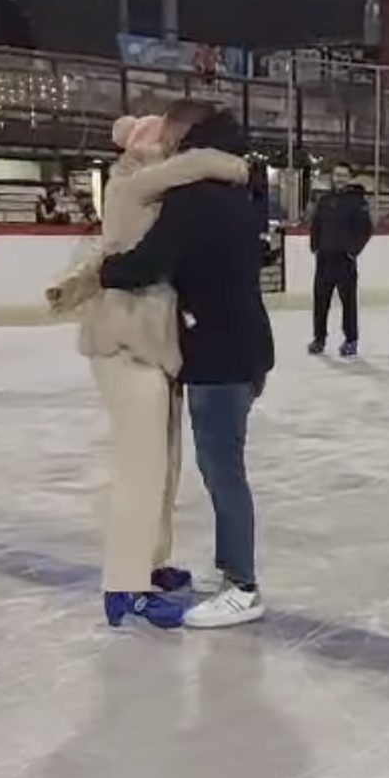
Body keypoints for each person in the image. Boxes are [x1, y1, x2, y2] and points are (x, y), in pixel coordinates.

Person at [49, 110, 251, 631]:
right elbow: (200, 164)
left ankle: (151, 563)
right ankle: (125, 586)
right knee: (139, 470)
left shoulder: (158, 191)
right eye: (166, 141)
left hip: (153, 347)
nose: (176, 150)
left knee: (162, 466)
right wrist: (235, 165)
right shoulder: (133, 184)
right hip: (125, 344)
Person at [101, 104, 274, 630]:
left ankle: (242, 586)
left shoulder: (192, 197)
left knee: (223, 472)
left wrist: (103, 268)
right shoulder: (236, 191)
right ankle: (231, 572)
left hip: (219, 354)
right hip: (245, 348)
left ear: (185, 135)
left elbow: (144, 265)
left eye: (170, 133)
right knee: (222, 467)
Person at [308, 162, 373, 358]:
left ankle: (351, 340)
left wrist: (352, 251)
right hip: (324, 259)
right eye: (337, 175)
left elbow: (366, 229)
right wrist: (315, 246)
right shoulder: (324, 200)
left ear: (349, 178)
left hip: (345, 261)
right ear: (332, 176)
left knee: (348, 303)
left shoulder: (357, 201)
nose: (340, 179)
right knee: (321, 301)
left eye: (344, 175)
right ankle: (319, 338)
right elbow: (316, 224)